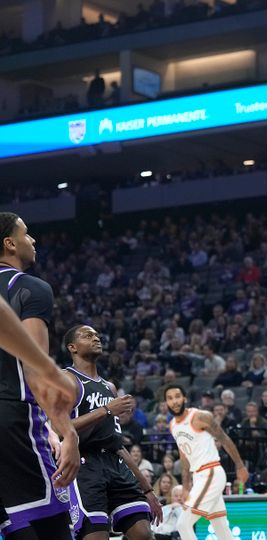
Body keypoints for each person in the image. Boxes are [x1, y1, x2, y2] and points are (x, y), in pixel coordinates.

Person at [0, 212, 80, 539]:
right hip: (12, 420)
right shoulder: (30, 288)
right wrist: (67, 433)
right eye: (27, 233)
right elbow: (35, 372)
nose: (32, 240)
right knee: (49, 526)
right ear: (9, 243)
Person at [62, 325, 162, 540]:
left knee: (144, 534)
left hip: (115, 464)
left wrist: (147, 490)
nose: (96, 338)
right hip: (84, 464)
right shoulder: (67, 379)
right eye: (87, 336)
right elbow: (56, 428)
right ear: (72, 347)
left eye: (97, 335)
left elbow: (117, 443)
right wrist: (106, 410)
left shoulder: (110, 388)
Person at [164, 385, 249, 540]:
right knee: (221, 527)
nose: (174, 401)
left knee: (183, 524)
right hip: (198, 477)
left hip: (211, 472)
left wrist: (240, 466)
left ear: (184, 399)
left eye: (177, 396)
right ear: (166, 403)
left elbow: (224, 439)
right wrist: (185, 485)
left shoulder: (200, 416)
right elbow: (184, 456)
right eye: (169, 398)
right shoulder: (173, 425)